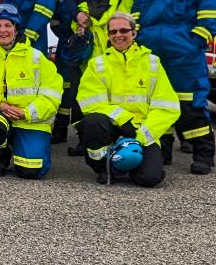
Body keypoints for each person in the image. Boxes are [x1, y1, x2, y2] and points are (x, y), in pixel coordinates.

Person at [126, 0, 216, 175]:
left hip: (184, 55)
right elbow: (136, 14)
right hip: (152, 54)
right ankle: (163, 152)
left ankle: (202, 155)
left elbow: (210, 18)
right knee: (155, 104)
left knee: (191, 104)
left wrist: (193, 44)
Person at [76, 11, 181, 186]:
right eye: (113, 32)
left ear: (134, 33)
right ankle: (106, 168)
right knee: (91, 122)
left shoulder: (153, 63)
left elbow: (167, 107)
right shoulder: (97, 64)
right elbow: (91, 102)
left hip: (143, 130)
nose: (118, 35)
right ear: (108, 35)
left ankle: (130, 163)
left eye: (123, 30)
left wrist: (140, 136)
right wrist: (123, 119)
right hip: (111, 126)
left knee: (150, 179)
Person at [0, 3, 63, 178]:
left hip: (30, 120)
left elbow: (52, 95)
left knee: (32, 171)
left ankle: (19, 145)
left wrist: (26, 113)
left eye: (8, 25)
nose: (3, 30)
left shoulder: (37, 58)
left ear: (16, 28)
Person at [51, 0, 125, 144]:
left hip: (102, 37)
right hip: (78, 38)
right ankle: (84, 138)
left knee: (100, 88)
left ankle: (101, 136)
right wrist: (77, 16)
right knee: (76, 89)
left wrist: (91, 18)